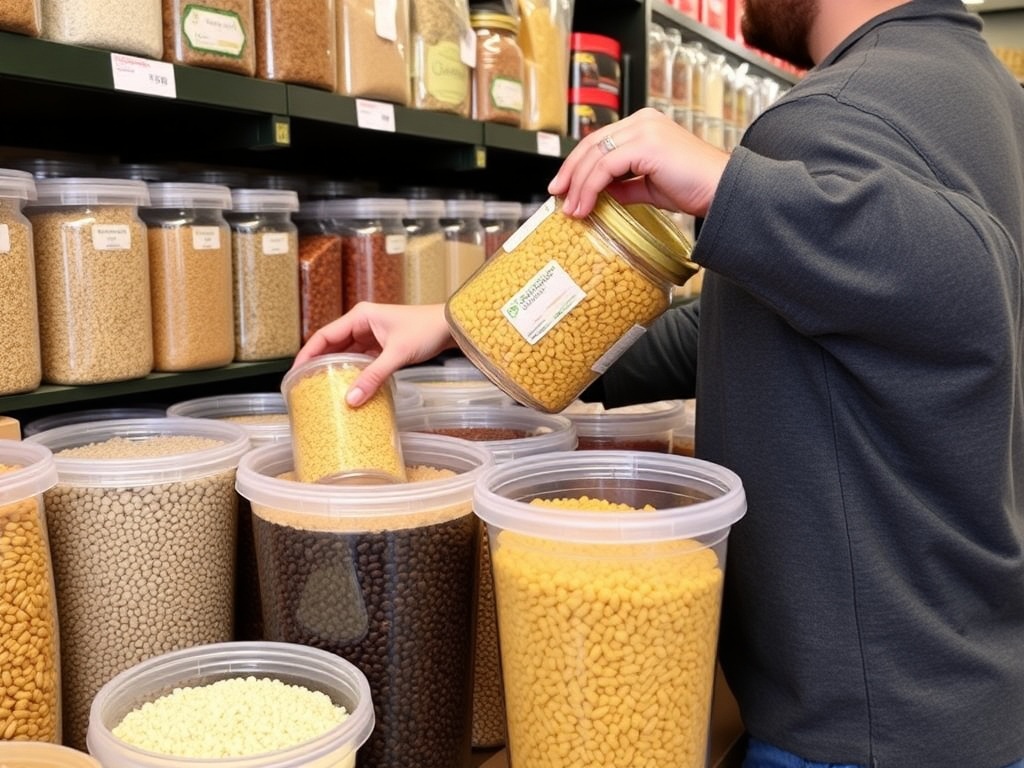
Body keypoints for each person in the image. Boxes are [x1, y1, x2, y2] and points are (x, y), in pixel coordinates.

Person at [294, 0, 1024, 765]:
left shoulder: (835, 114)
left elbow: (972, 286)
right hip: (966, 672)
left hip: (862, 723)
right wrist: (463, 326)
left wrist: (730, 184)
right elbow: (747, 329)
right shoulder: (991, 97)